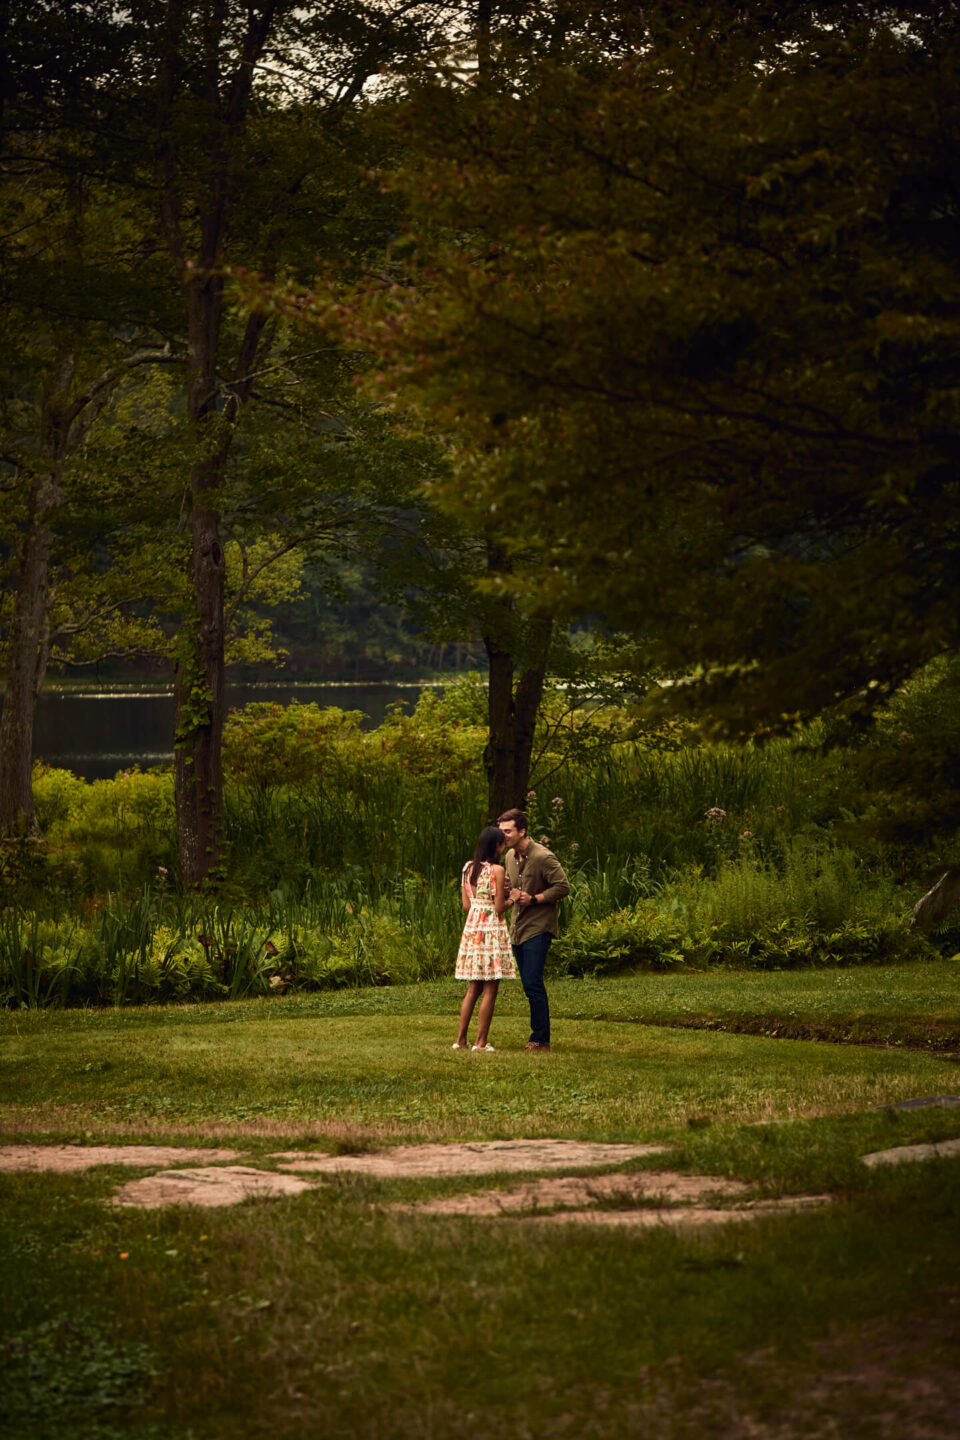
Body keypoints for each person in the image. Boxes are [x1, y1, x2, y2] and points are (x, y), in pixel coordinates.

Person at [498, 808, 570, 1051]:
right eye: (501, 831)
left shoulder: (542, 857)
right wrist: (508, 893)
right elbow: (513, 890)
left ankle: (540, 1039)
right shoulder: (509, 856)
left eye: (508, 831)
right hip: (517, 927)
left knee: (532, 983)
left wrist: (534, 898)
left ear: (522, 831)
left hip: (538, 928)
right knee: (529, 983)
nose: (504, 836)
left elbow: (563, 886)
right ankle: (539, 1037)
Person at [453, 825, 517, 1051]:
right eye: (502, 843)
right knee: (490, 987)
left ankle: (460, 1040)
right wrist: (512, 899)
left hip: (473, 929)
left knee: (473, 988)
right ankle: (480, 1042)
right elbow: (499, 906)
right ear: (497, 846)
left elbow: (466, 904)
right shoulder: (497, 871)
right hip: (490, 930)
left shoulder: (468, 868)